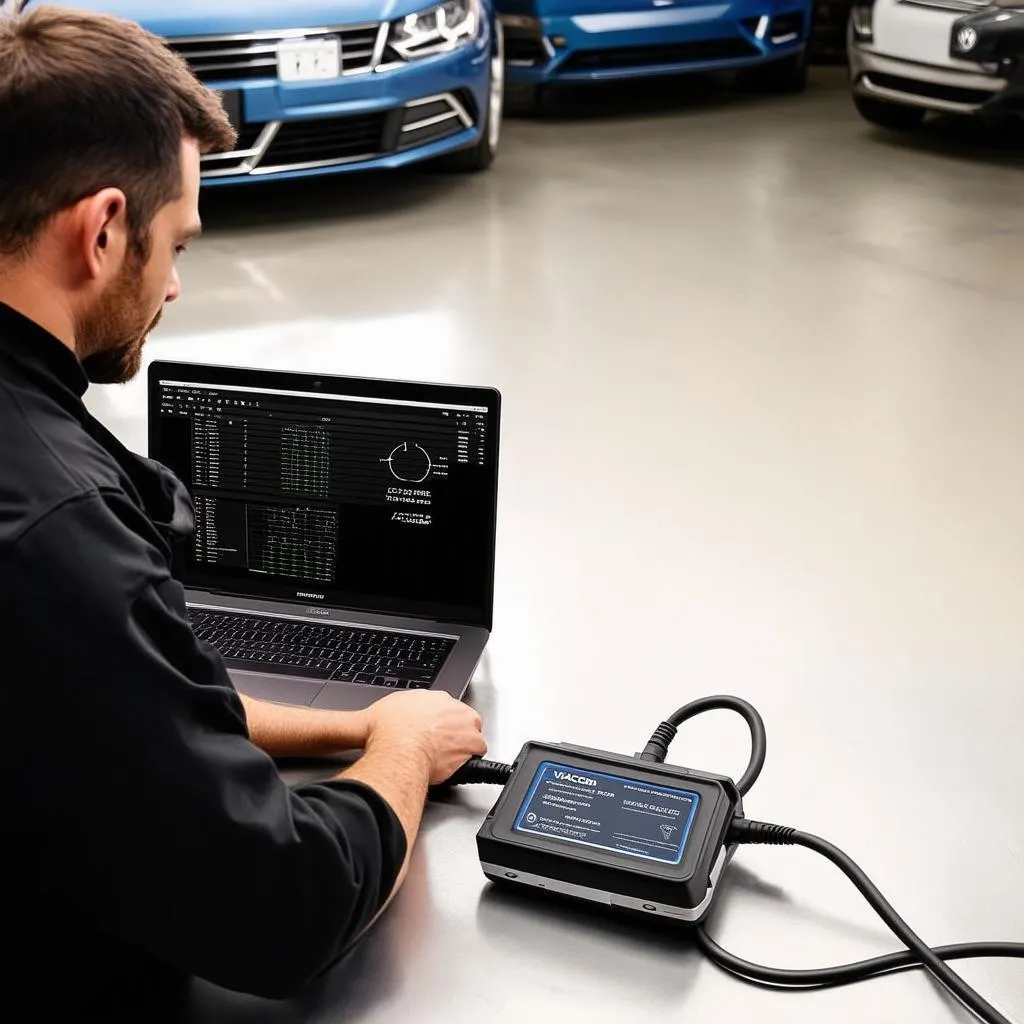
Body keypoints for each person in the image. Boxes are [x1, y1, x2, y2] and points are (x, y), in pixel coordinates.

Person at [0, 5, 488, 1017]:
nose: (174, 285)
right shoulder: (59, 531)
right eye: (175, 241)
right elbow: (282, 910)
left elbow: (102, 702)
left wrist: (341, 726)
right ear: (99, 231)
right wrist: (400, 748)